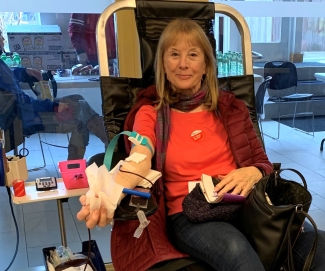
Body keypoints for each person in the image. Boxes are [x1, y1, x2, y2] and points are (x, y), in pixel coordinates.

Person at [76, 19, 325, 270]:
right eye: (174, 54)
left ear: (206, 64)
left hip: (245, 205)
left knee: (318, 243)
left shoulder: (232, 109)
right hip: (189, 214)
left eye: (192, 54)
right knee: (238, 254)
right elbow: (140, 157)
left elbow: (264, 164)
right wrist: (109, 194)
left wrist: (253, 171)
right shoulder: (151, 112)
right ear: (163, 63)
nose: (183, 64)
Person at [0, 30, 108, 160]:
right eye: (0, 36)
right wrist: (53, 106)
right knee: (81, 122)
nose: (3, 40)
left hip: (24, 113)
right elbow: (23, 103)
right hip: (23, 120)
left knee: (78, 100)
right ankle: (78, 164)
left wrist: (24, 72)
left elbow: (8, 76)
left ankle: (109, 141)